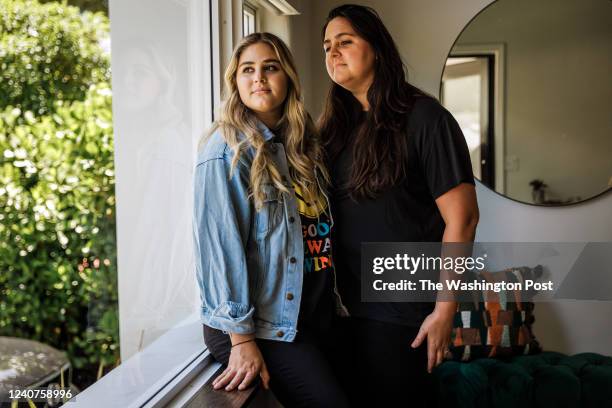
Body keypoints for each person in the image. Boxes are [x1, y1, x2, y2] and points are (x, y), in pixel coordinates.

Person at [319, 4, 480, 406]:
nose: (332, 53)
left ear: (376, 49)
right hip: (337, 314)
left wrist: (444, 312)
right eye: (326, 46)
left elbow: (463, 220)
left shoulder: (426, 119)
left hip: (400, 315)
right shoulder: (334, 129)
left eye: (345, 42)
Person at [193, 32, 348, 407]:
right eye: (248, 69)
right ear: (236, 82)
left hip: (310, 312)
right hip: (259, 326)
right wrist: (242, 342)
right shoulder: (224, 153)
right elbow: (219, 251)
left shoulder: (302, 144)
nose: (258, 78)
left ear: (288, 78)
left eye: (270, 67)